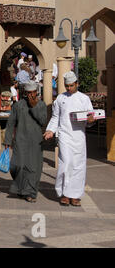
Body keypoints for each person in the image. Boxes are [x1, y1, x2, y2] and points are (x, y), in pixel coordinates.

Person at [43, 71, 95, 207]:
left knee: (78, 166)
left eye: (71, 85)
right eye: (67, 86)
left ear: (77, 84)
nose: (69, 88)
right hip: (65, 135)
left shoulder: (84, 99)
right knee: (66, 163)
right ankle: (64, 194)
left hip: (79, 137)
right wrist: (50, 130)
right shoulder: (60, 98)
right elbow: (56, 117)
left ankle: (75, 195)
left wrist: (90, 120)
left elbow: (90, 118)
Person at [3, 80, 47, 203]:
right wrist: (7, 140)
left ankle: (30, 193)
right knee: (17, 166)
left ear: (37, 93)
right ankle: (21, 189)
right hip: (20, 141)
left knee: (33, 168)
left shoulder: (41, 105)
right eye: (29, 93)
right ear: (25, 93)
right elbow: (11, 123)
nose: (31, 95)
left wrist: (34, 107)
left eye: (33, 93)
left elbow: (43, 121)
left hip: (35, 142)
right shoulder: (18, 105)